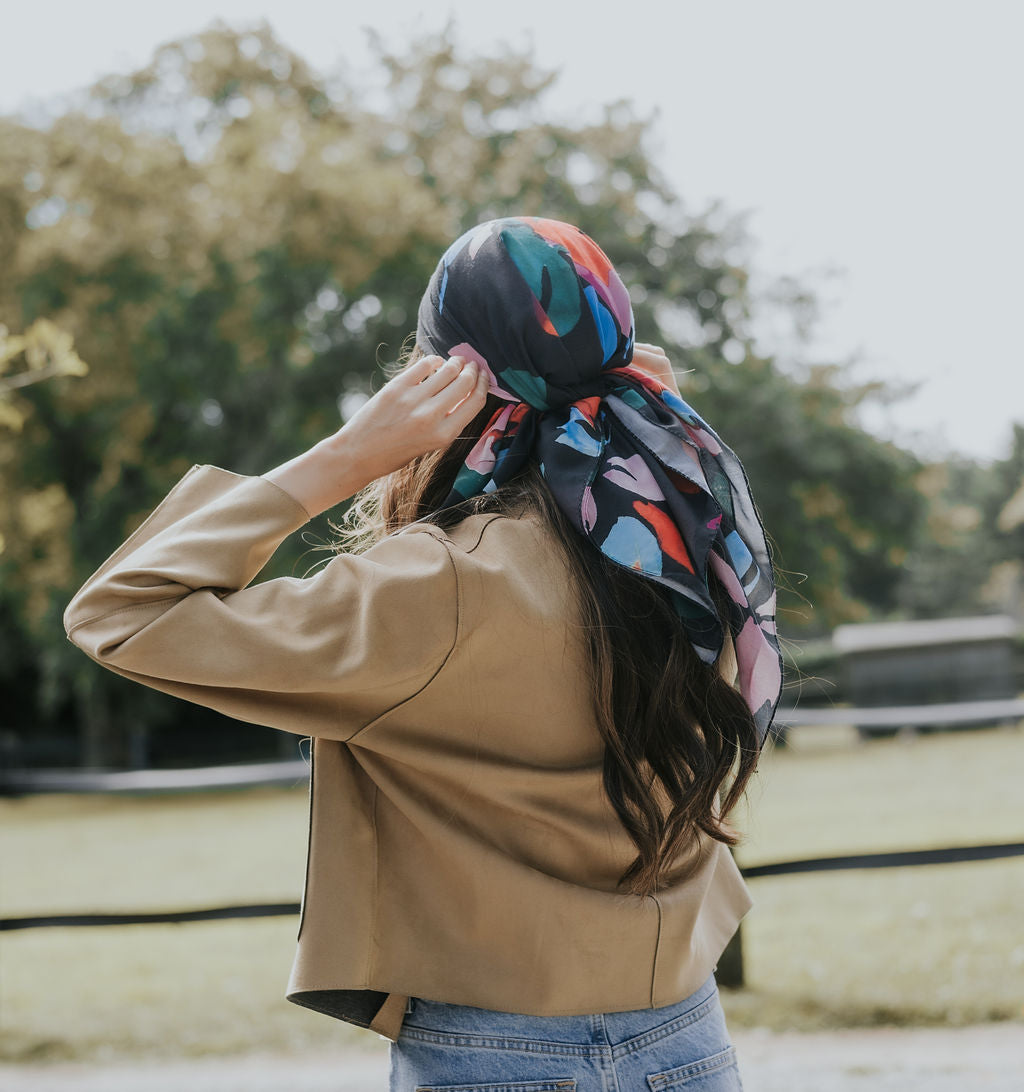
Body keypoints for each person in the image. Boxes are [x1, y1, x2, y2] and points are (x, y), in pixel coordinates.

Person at [64, 216, 782, 1090]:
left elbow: (122, 611)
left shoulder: (440, 582)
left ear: (443, 382)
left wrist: (344, 457)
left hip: (495, 1051)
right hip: (685, 1036)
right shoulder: (696, 541)